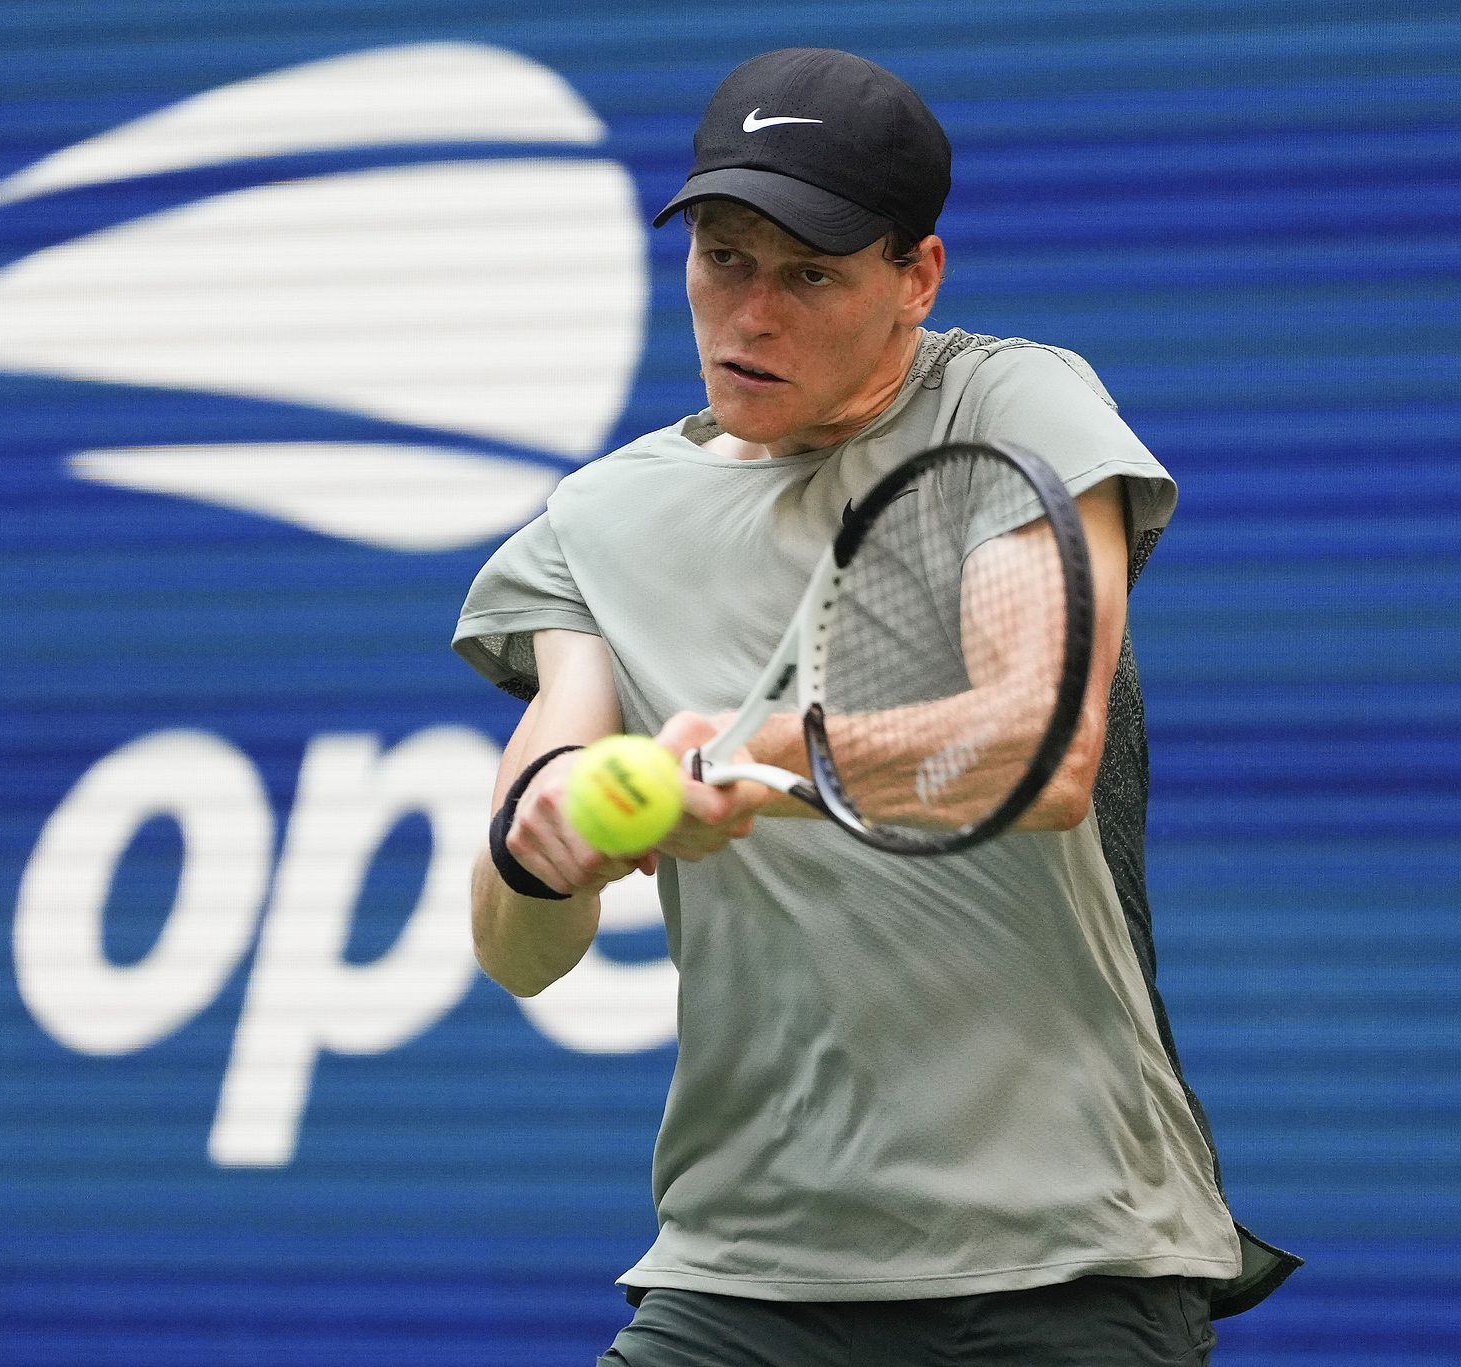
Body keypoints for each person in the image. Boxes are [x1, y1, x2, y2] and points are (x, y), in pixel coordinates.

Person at [452, 48, 1298, 1366]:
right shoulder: (593, 525)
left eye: (811, 273)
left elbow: (1042, 743)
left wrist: (766, 755)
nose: (752, 314)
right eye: (725, 258)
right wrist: (538, 845)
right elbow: (520, 949)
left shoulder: (1012, 406)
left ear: (917, 279)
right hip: (741, 1268)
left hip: (1062, 1258)